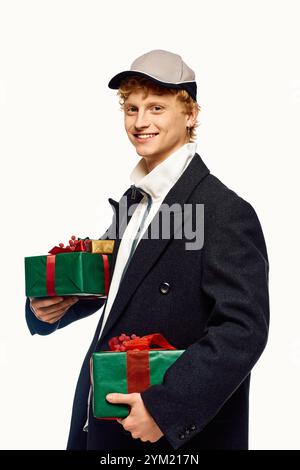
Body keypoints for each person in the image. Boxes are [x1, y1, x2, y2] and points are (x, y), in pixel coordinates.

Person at [25, 49, 269, 451]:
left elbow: (242, 332)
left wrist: (165, 409)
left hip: (166, 436)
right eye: (132, 109)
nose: (140, 122)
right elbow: (119, 284)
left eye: (156, 107)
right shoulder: (135, 202)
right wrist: (46, 307)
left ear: (189, 114)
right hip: (100, 419)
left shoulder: (224, 211)